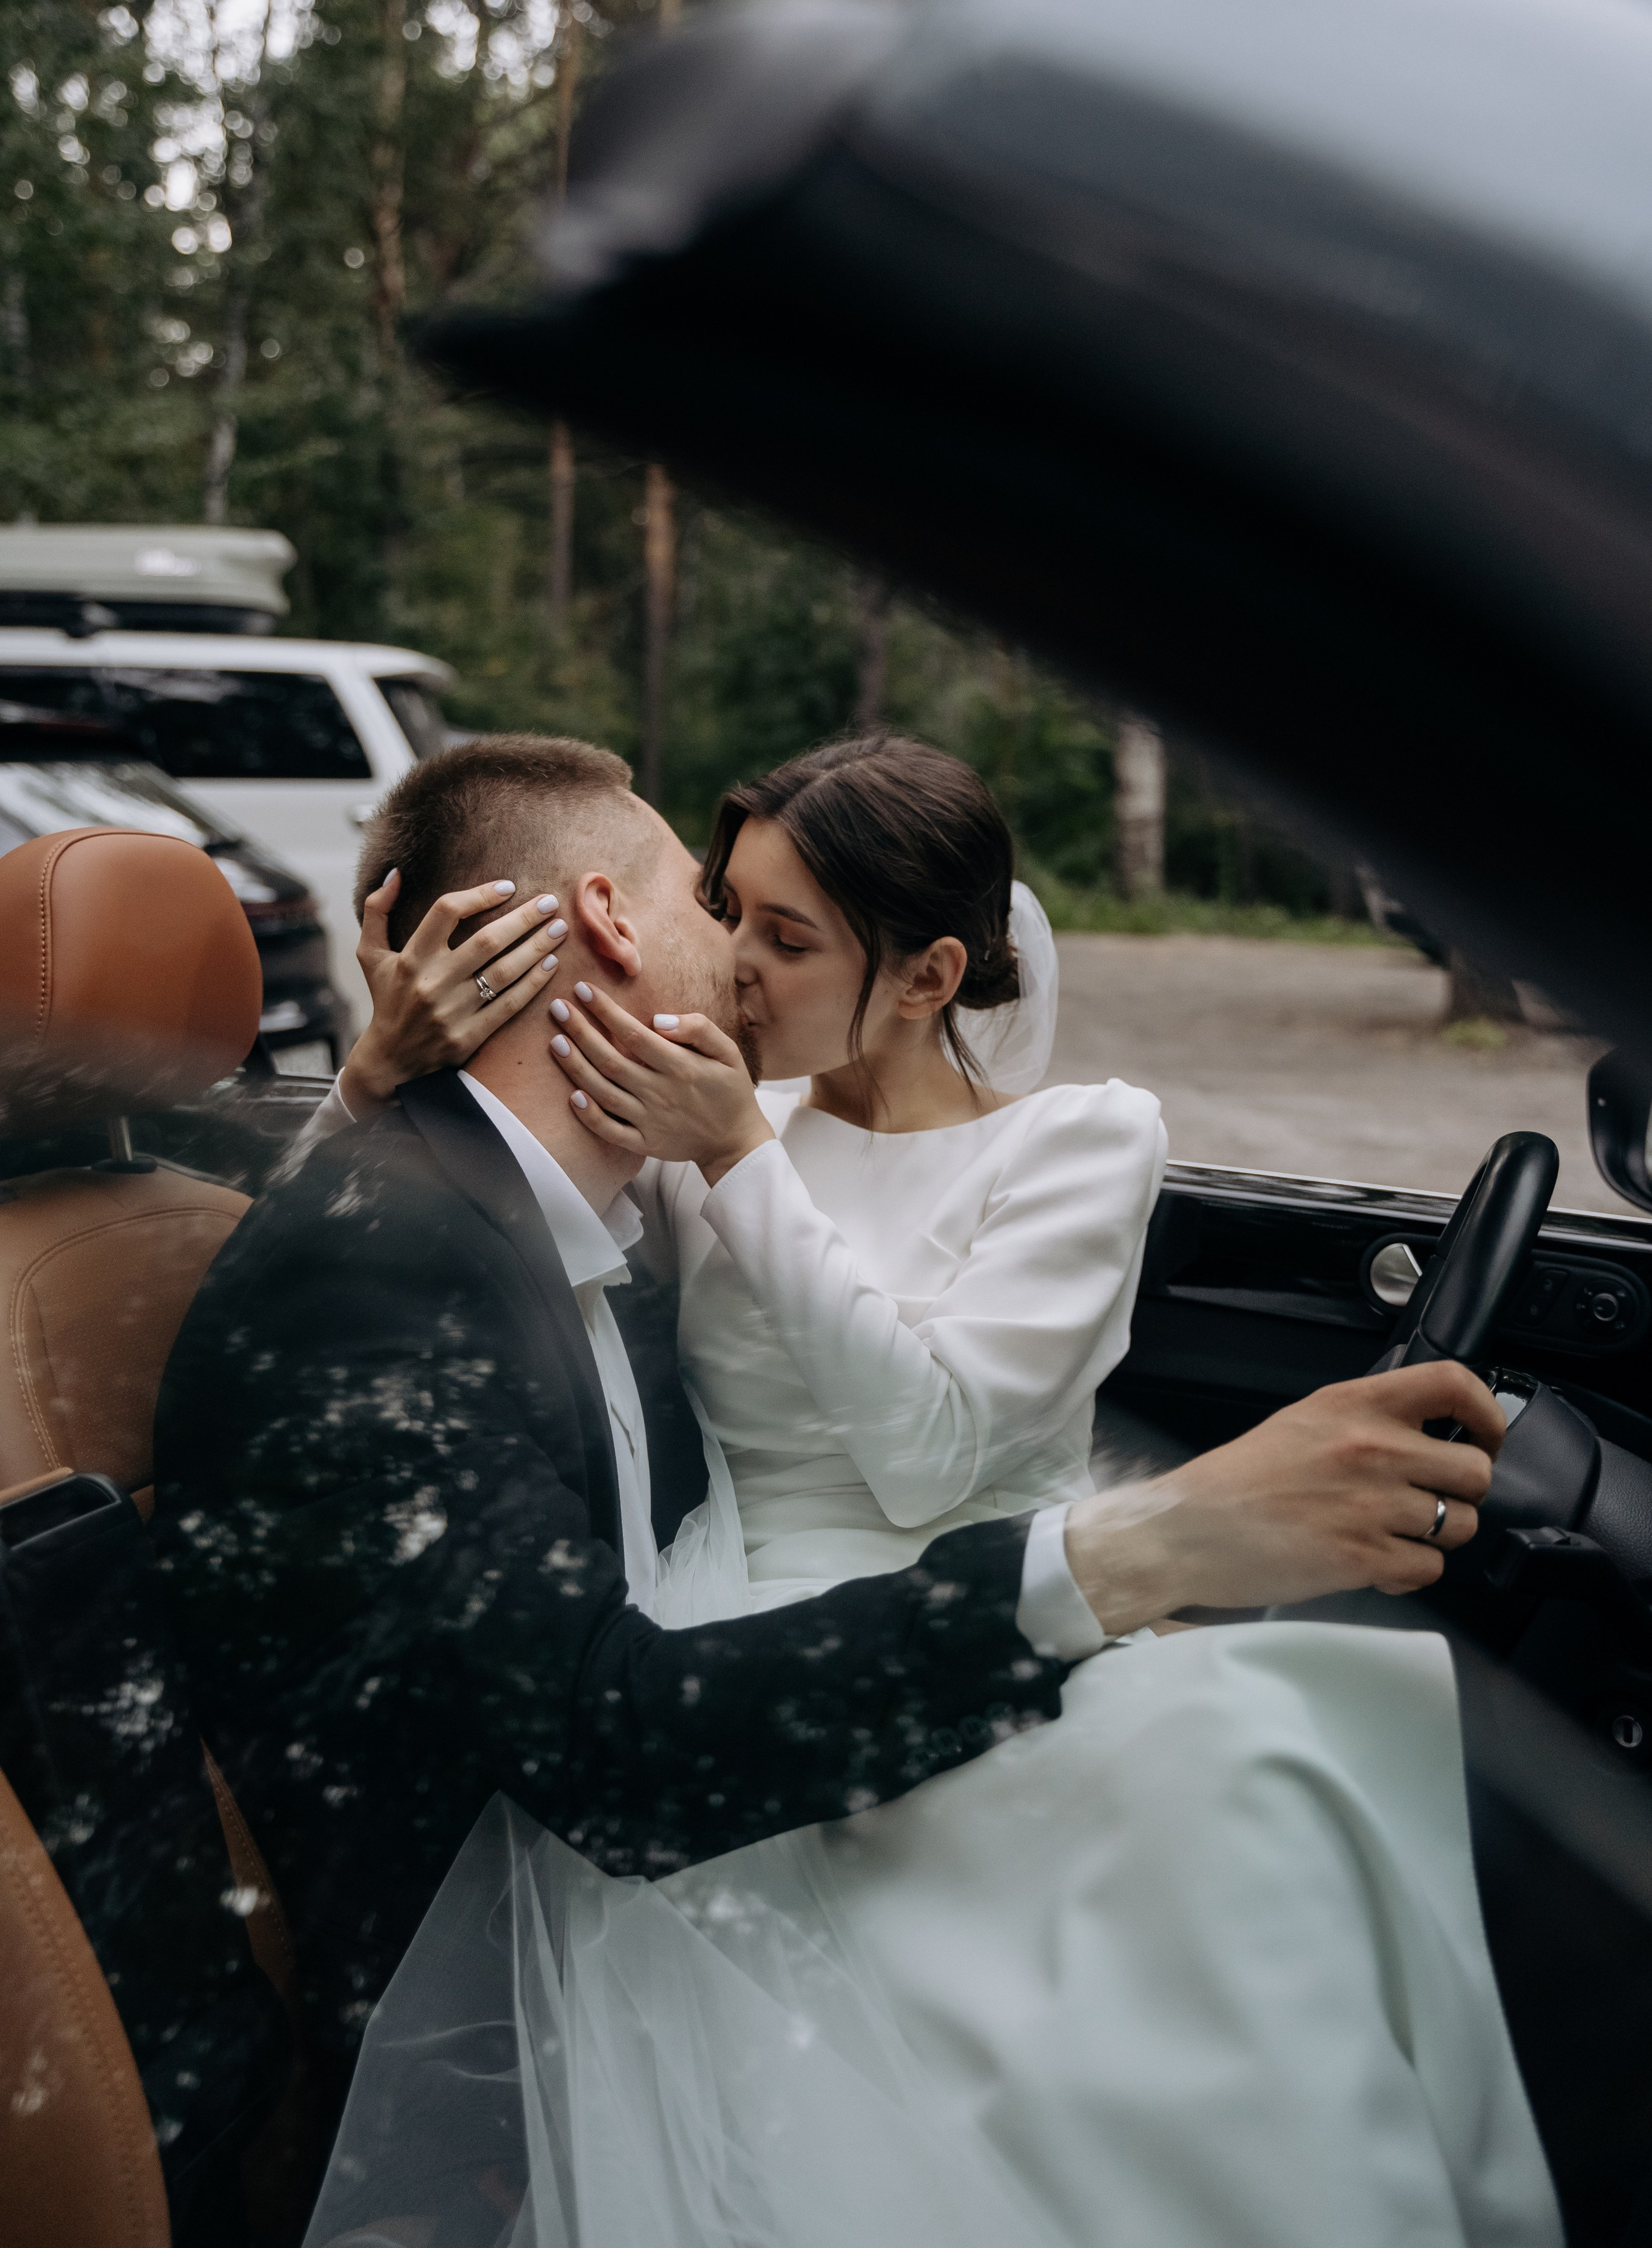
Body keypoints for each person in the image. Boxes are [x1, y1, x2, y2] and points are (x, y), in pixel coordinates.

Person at [265, 730, 1558, 2248]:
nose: (736, 967)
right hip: (752, 1621)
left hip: (989, 1609)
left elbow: (931, 1450)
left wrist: (744, 1159)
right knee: (1232, 1759)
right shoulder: (714, 1138)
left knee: (1262, 1755)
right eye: (727, 910)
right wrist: (371, 1074)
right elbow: (408, 1256)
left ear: (929, 975)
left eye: (786, 936)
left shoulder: (1077, 1143)